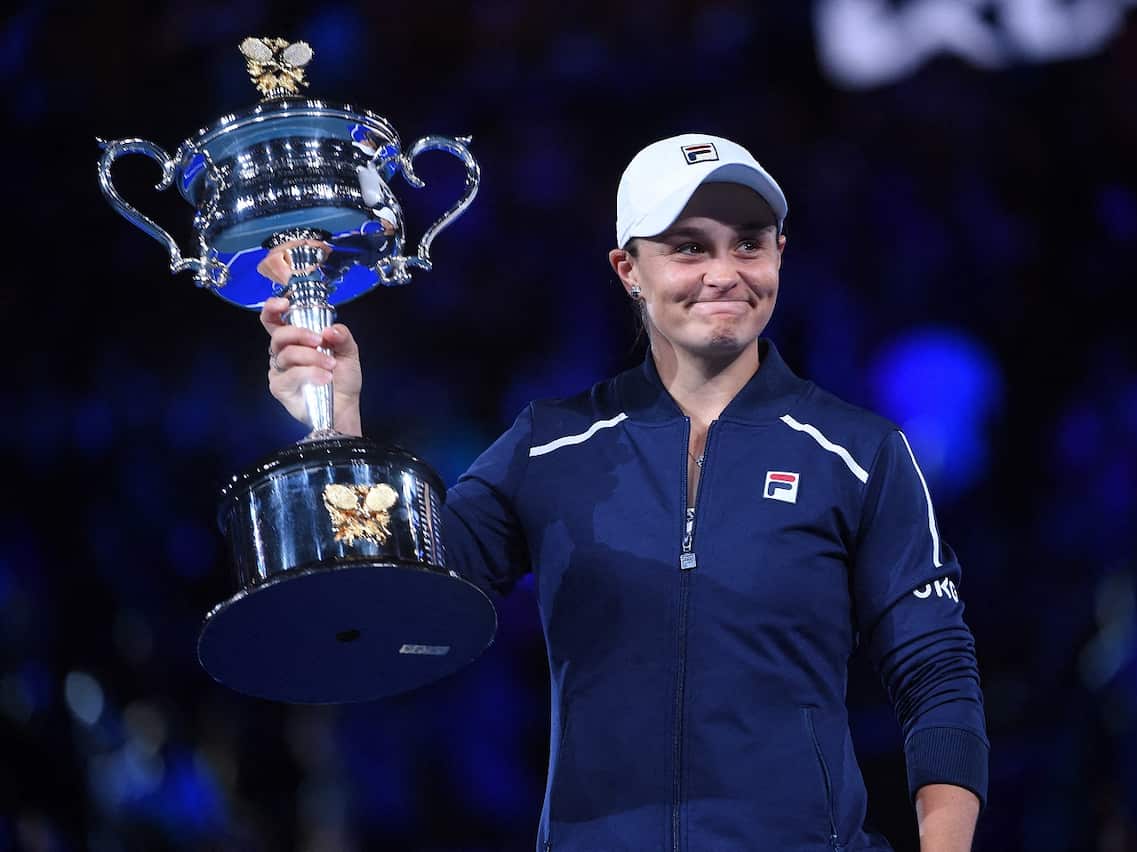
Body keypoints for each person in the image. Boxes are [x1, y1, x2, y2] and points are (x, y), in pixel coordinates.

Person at [261, 133, 988, 851]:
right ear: (628, 269)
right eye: (689, 248)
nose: (725, 273)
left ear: (779, 255)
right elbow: (403, 599)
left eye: (749, 243)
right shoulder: (550, 445)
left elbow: (937, 674)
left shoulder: (858, 454)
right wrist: (339, 427)